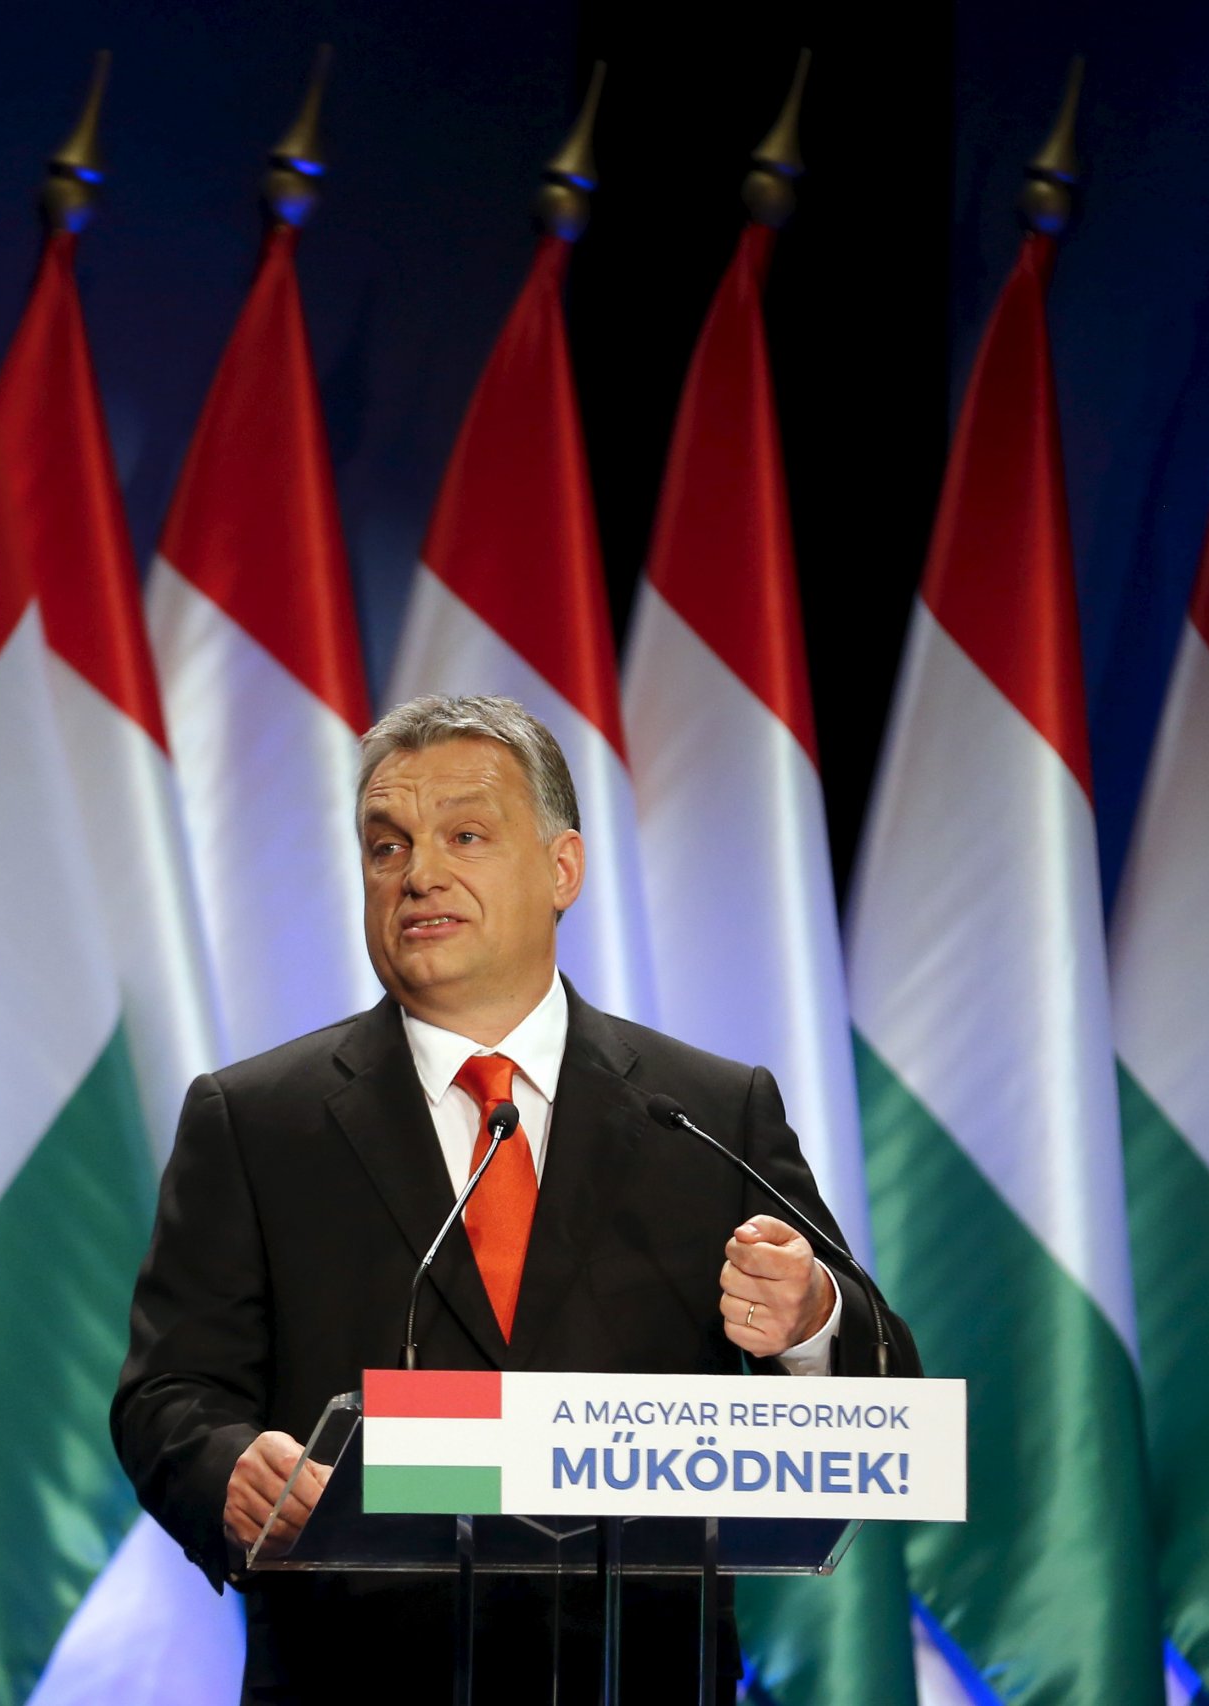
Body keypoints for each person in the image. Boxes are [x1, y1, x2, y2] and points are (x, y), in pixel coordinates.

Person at [113, 694, 919, 1703]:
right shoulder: (256, 1119)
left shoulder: (707, 1110)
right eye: (384, 845)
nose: (418, 873)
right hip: (354, 1678)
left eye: (465, 834)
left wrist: (811, 1318)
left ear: (563, 867)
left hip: (640, 1676)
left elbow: (884, 1380)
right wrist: (228, 1471)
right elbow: (166, 1392)